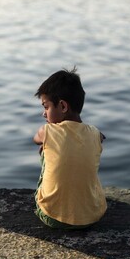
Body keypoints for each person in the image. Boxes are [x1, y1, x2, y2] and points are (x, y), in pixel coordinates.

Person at [32, 68, 106, 229]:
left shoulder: (47, 131)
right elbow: (101, 137)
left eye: (46, 107)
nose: (44, 114)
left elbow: (36, 139)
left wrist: (46, 143)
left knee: (46, 151)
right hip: (93, 215)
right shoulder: (95, 133)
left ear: (63, 106)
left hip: (54, 218)